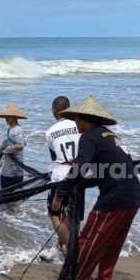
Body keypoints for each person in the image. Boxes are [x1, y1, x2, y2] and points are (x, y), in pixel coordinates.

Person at [52, 95, 140, 280]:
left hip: (115, 199)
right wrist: (79, 185)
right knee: (113, 243)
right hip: (133, 195)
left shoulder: (89, 137)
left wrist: (61, 192)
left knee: (88, 240)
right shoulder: (110, 136)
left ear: (85, 120)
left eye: (77, 119)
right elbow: (110, 171)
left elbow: (80, 167)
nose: (75, 123)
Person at [45, 96, 83, 247]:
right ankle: (60, 246)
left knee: (53, 212)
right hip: (79, 172)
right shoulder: (79, 125)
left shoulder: (49, 132)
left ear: (54, 111)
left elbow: (54, 157)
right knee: (69, 211)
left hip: (60, 173)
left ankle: (72, 250)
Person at [0, 103, 27, 214]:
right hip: (15, 170)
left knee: (9, 197)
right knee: (12, 197)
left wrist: (6, 150)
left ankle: (17, 217)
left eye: (7, 117)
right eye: (5, 117)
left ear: (13, 117)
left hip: (11, 171)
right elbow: (4, 144)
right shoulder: (11, 130)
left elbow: (20, 145)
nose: (6, 119)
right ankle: (15, 218)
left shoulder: (17, 130)